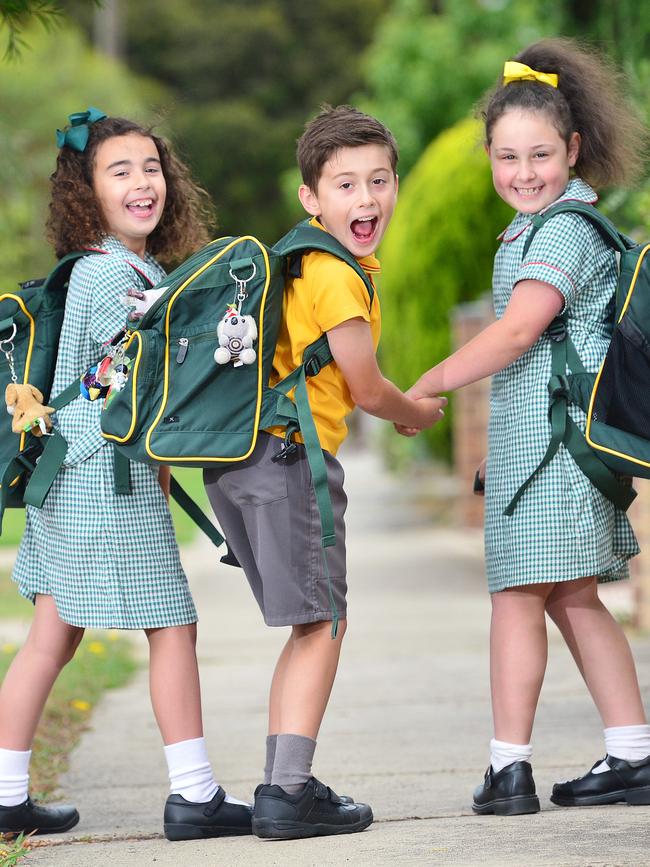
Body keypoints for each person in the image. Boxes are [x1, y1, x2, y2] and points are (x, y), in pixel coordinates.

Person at [399, 38, 650, 815]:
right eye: (508, 156)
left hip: (558, 453)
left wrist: (429, 381)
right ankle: (633, 754)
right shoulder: (536, 227)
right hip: (547, 449)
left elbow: (516, 332)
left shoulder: (567, 229)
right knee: (573, 596)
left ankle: (509, 770)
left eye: (540, 154)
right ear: (488, 154)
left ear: (573, 150)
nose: (524, 172)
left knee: (519, 594)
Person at [0, 109, 252, 840]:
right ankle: (194, 795)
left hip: (70, 472)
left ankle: (9, 792)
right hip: (100, 479)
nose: (144, 183)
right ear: (87, 189)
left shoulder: (115, 266)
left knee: (54, 634)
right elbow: (121, 389)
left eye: (152, 168)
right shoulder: (116, 274)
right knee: (173, 623)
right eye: (121, 171)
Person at [204, 105, 446, 840]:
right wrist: (419, 413)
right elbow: (367, 386)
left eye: (378, 180)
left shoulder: (295, 261)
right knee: (324, 623)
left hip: (239, 463)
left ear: (396, 183)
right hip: (290, 458)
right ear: (311, 197)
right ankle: (288, 790)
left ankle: (284, 784)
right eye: (345, 184)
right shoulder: (336, 275)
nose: (365, 199)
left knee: (308, 624)